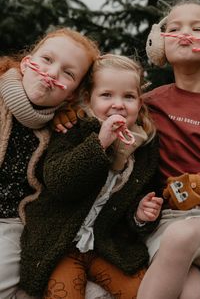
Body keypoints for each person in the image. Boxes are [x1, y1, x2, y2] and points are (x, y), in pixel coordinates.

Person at [19, 54, 163, 299]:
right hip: (58, 243)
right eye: (106, 95)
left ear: (139, 103)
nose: (118, 104)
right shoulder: (72, 130)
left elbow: (143, 196)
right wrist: (100, 142)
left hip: (106, 245)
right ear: (88, 99)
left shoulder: (144, 145)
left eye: (128, 96)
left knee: (144, 292)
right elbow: (59, 182)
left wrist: (141, 215)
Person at [136, 0, 200, 299]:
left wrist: (198, 183)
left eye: (197, 28)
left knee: (182, 237)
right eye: (174, 28)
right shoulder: (147, 104)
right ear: (158, 43)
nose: (184, 34)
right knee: (190, 289)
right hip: (162, 225)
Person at [0, 27, 100, 299]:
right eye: (46, 59)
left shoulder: (63, 129)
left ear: (72, 94)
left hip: (12, 222)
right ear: (25, 63)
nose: (52, 73)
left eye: (68, 73)